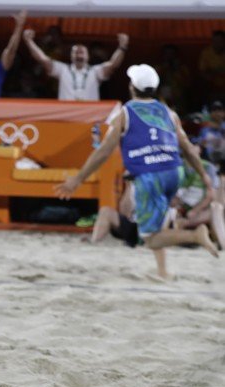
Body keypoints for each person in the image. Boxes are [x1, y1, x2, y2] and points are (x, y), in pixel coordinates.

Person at [55, 64, 218, 279]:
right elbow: (187, 148)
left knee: (150, 238)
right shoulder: (170, 114)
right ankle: (163, 272)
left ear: (132, 87)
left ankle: (196, 236)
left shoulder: (125, 113)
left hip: (151, 175)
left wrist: (78, 179)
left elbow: (103, 151)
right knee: (157, 225)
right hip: (174, 172)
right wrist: (204, 175)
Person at [23, 29, 129, 101]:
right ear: (70, 56)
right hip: (67, 115)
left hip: (91, 115)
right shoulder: (63, 70)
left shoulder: (95, 71)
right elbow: (43, 60)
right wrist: (29, 41)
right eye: (76, 52)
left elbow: (113, 64)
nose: (79, 54)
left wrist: (122, 47)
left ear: (88, 56)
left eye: (82, 52)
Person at [172, 158, 225, 250]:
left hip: (202, 216)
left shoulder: (210, 170)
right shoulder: (183, 171)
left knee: (216, 208)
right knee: (216, 208)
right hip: (195, 214)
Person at [199, 30, 225, 100]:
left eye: (220, 41)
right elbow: (202, 72)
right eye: (215, 41)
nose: (217, 44)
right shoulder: (206, 53)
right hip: (212, 88)